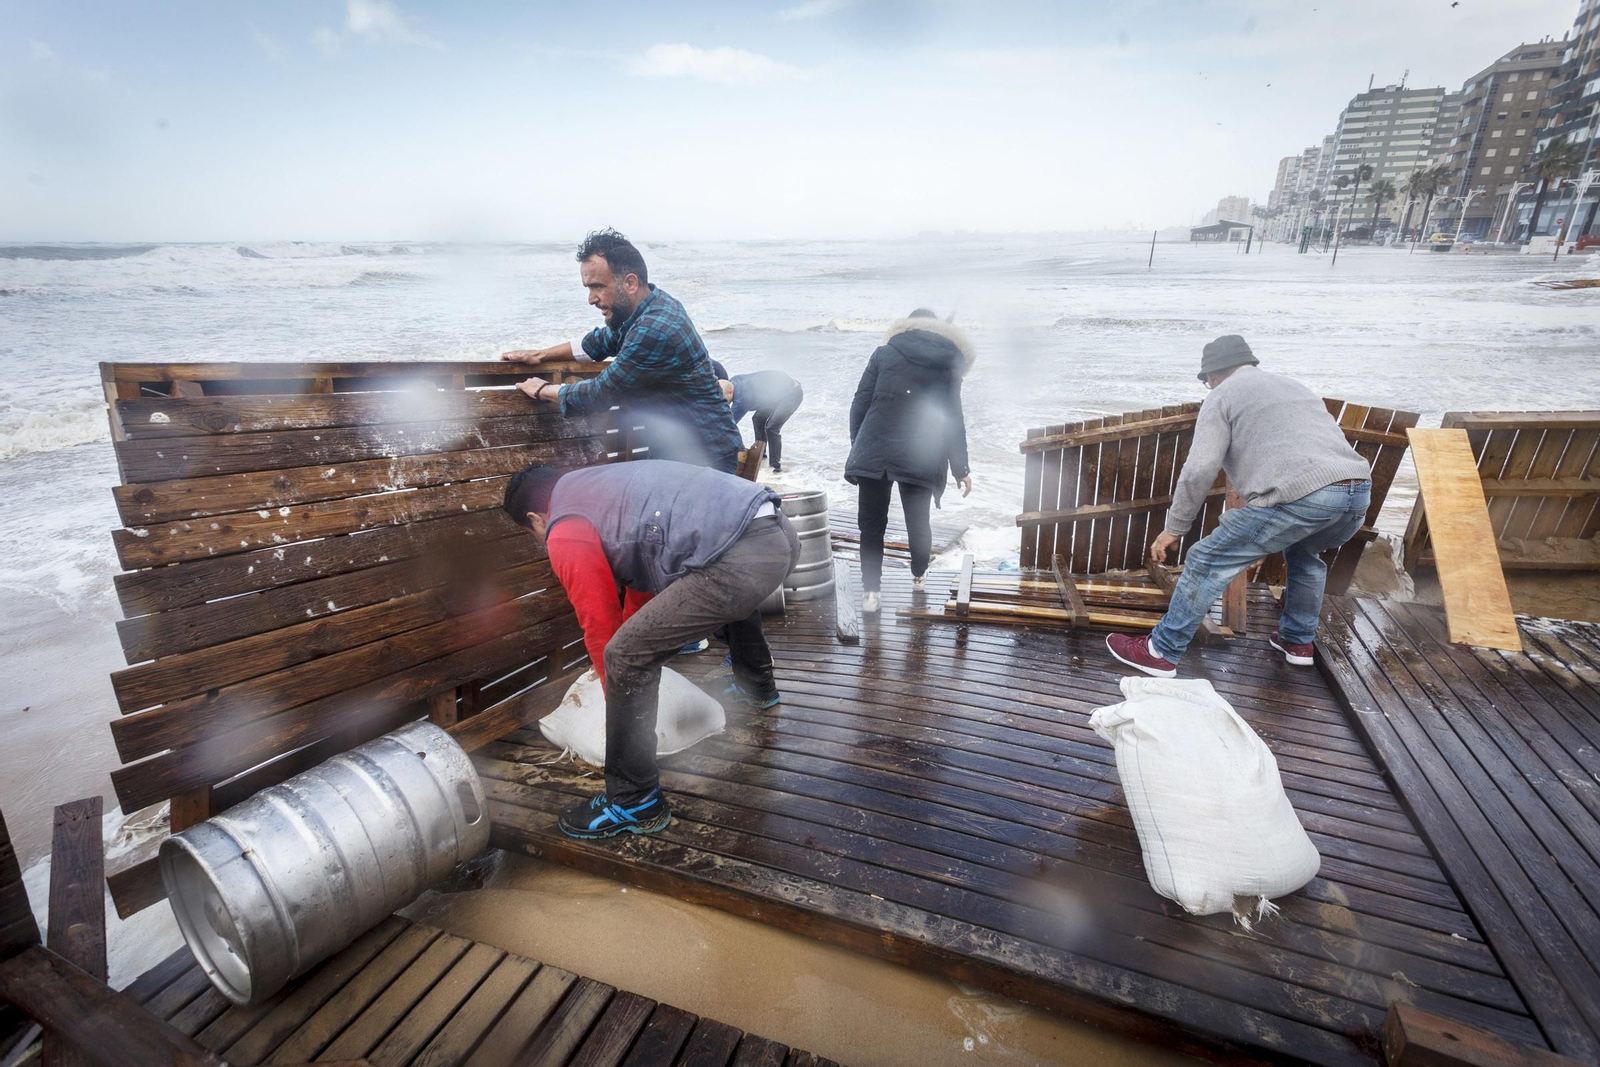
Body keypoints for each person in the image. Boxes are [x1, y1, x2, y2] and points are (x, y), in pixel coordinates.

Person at [502, 459, 799, 839]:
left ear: (535, 518)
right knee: (716, 592)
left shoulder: (563, 527)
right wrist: (631, 648)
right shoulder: (604, 491)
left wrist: (616, 693)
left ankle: (634, 799)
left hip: (741, 556)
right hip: (776, 532)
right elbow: (642, 589)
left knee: (624, 656)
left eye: (532, 532)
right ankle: (757, 686)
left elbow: (600, 627)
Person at [1106, 335, 1372, 678]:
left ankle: (1161, 651)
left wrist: (1175, 528)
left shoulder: (1222, 396)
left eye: (1207, 381)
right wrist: (1260, 536)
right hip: (1356, 491)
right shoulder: (1293, 386)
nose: (1208, 386)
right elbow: (1291, 456)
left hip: (1303, 496)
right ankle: (1297, 642)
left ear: (1213, 374)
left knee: (1205, 560)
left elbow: (1200, 469)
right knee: (1305, 555)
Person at [502, 229, 742, 473]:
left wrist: (542, 389)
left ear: (630, 283)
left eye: (597, 287)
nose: (591, 299)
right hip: (679, 449)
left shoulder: (654, 329)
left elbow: (600, 393)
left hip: (705, 456)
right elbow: (601, 341)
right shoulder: (648, 307)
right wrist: (540, 355)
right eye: (588, 288)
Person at [844, 309, 974, 614]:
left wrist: (860, 445)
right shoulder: (948, 364)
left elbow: (859, 403)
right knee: (918, 521)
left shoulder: (884, 353)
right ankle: (918, 575)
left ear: (907, 327)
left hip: (874, 447)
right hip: (921, 452)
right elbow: (953, 419)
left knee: (871, 525)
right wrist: (961, 469)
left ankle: (871, 593)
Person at [719, 370, 804, 473]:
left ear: (730, 392)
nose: (721, 402)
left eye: (723, 399)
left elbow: (728, 425)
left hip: (792, 393)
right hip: (776, 393)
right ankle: (761, 458)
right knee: (758, 419)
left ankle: (776, 468)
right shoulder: (733, 382)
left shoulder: (742, 400)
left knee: (771, 428)